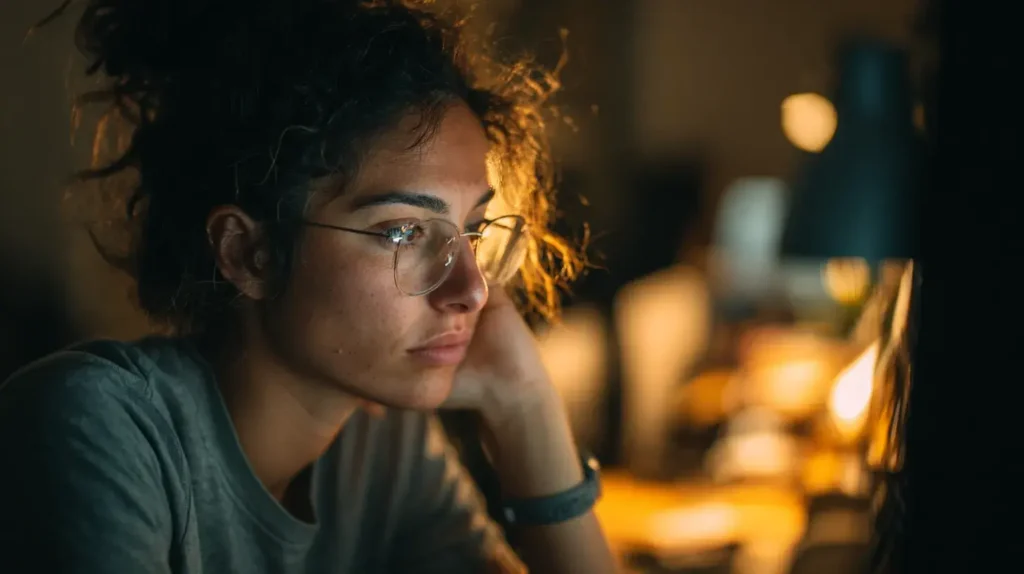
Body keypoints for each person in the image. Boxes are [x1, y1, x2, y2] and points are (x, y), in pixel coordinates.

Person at [0, 0, 616, 572]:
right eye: (403, 232)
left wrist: (527, 407)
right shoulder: (97, 425)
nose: (472, 289)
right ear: (250, 254)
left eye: (472, 230)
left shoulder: (383, 446)